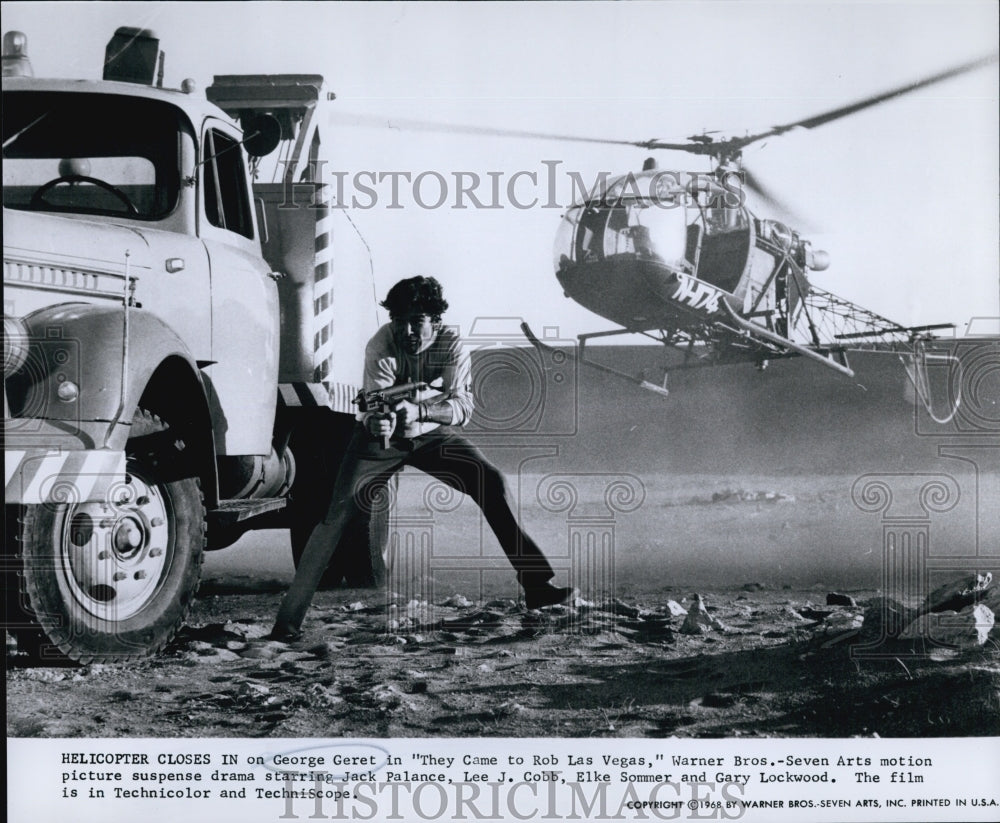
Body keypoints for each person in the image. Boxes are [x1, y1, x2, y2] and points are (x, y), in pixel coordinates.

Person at [271, 276, 573, 641]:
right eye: (400, 321)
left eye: (418, 321)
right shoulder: (380, 345)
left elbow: (463, 407)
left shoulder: (452, 346)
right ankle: (287, 621)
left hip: (430, 435)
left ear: (437, 321)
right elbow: (373, 406)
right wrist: (380, 420)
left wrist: (422, 413)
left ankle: (538, 585)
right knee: (334, 517)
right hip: (379, 440)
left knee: (491, 482)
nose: (408, 330)